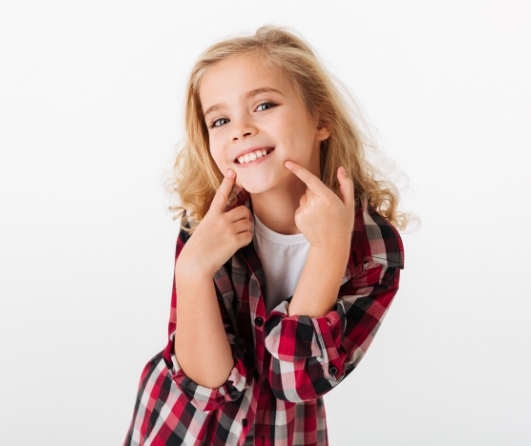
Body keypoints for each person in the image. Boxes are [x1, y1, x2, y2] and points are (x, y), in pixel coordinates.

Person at [125, 25, 405, 446]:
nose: (240, 129)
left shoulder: (373, 249)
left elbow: (294, 382)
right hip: (178, 429)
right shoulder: (206, 225)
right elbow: (206, 387)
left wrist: (330, 251)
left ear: (321, 120)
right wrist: (192, 272)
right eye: (220, 119)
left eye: (263, 105)